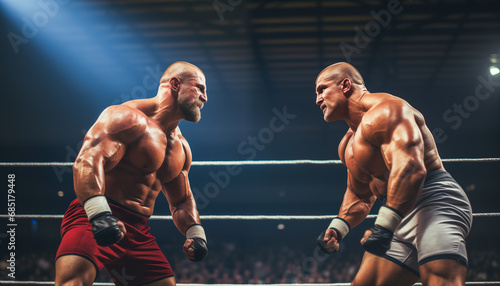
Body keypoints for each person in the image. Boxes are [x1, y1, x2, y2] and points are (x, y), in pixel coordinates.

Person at [314, 62, 472, 286]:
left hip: (433, 200)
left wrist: (385, 227)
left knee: (440, 281)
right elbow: (360, 195)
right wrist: (337, 229)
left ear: (346, 85)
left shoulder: (388, 110)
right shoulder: (347, 145)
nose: (317, 99)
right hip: (396, 212)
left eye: (322, 89)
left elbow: (411, 169)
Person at [55, 61, 209, 286]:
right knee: (73, 281)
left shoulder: (181, 147)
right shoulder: (126, 117)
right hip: (94, 215)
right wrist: (99, 215)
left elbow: (181, 200)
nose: (205, 97)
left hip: (138, 229)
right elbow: (87, 162)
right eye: (200, 88)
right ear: (175, 84)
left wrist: (196, 234)